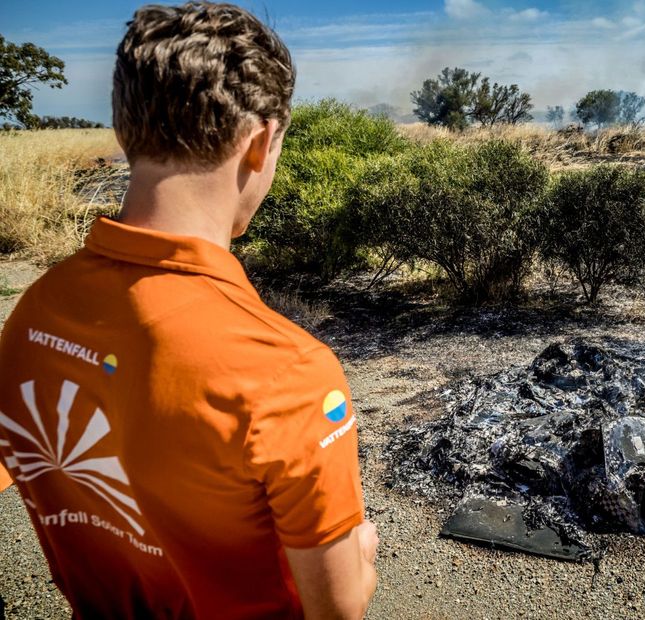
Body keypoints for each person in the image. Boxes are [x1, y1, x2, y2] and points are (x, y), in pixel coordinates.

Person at [0, 3, 378, 618]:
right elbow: (337, 609)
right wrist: (362, 549)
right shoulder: (289, 373)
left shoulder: (36, 308)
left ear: (125, 130)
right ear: (260, 144)